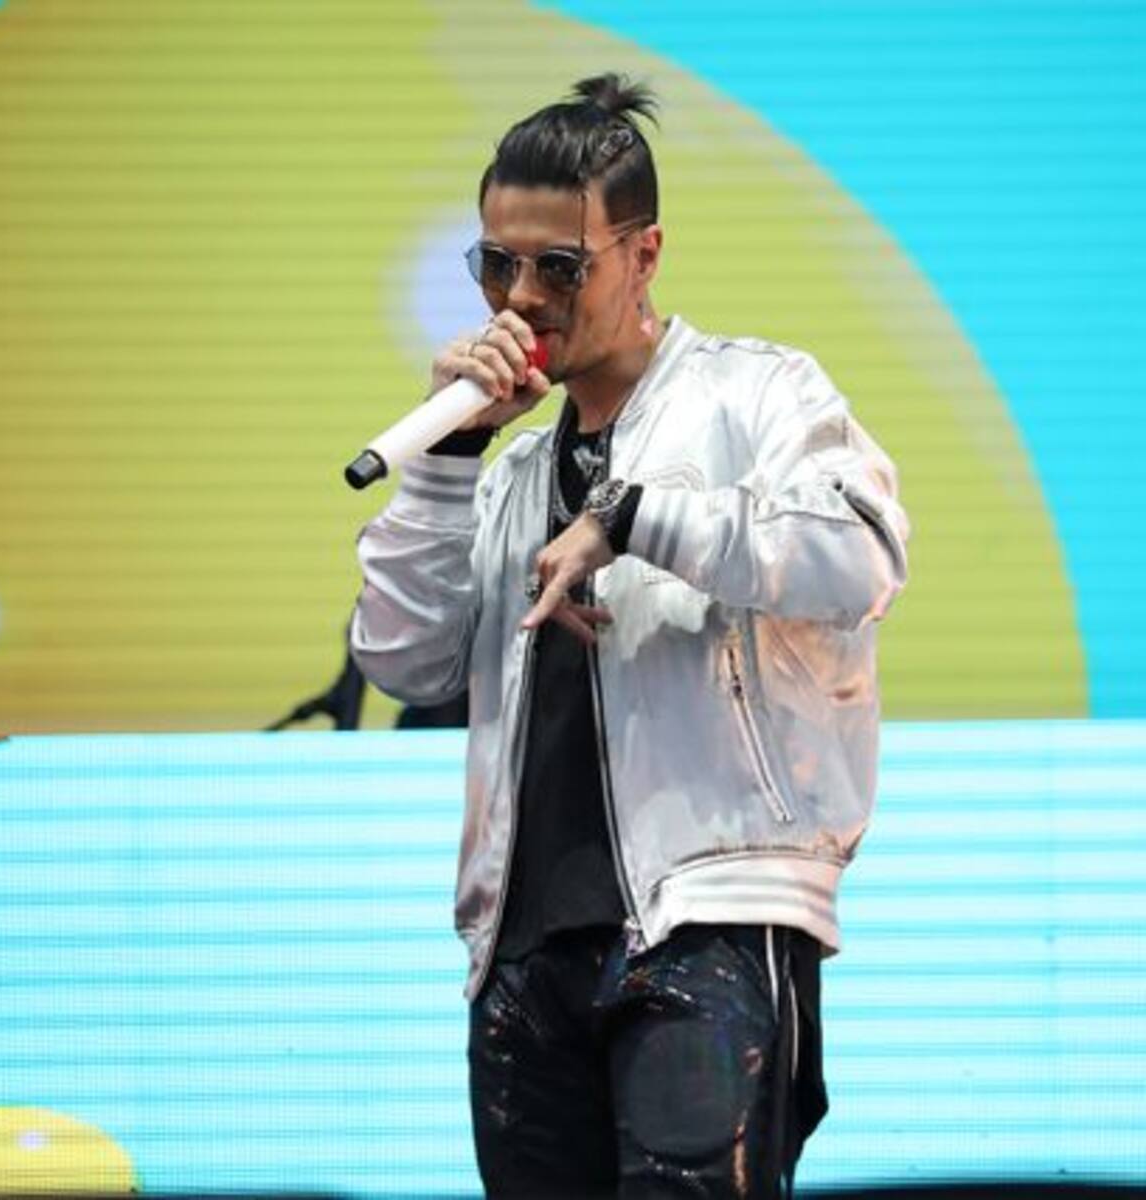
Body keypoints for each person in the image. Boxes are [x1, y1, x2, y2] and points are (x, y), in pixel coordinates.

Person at [351, 72, 909, 1199]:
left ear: (644, 255)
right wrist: (445, 464)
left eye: (559, 268)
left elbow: (861, 555)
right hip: (523, 955)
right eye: (495, 265)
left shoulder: (758, 395)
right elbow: (402, 657)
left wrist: (634, 517)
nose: (521, 299)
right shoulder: (507, 472)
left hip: (708, 921)